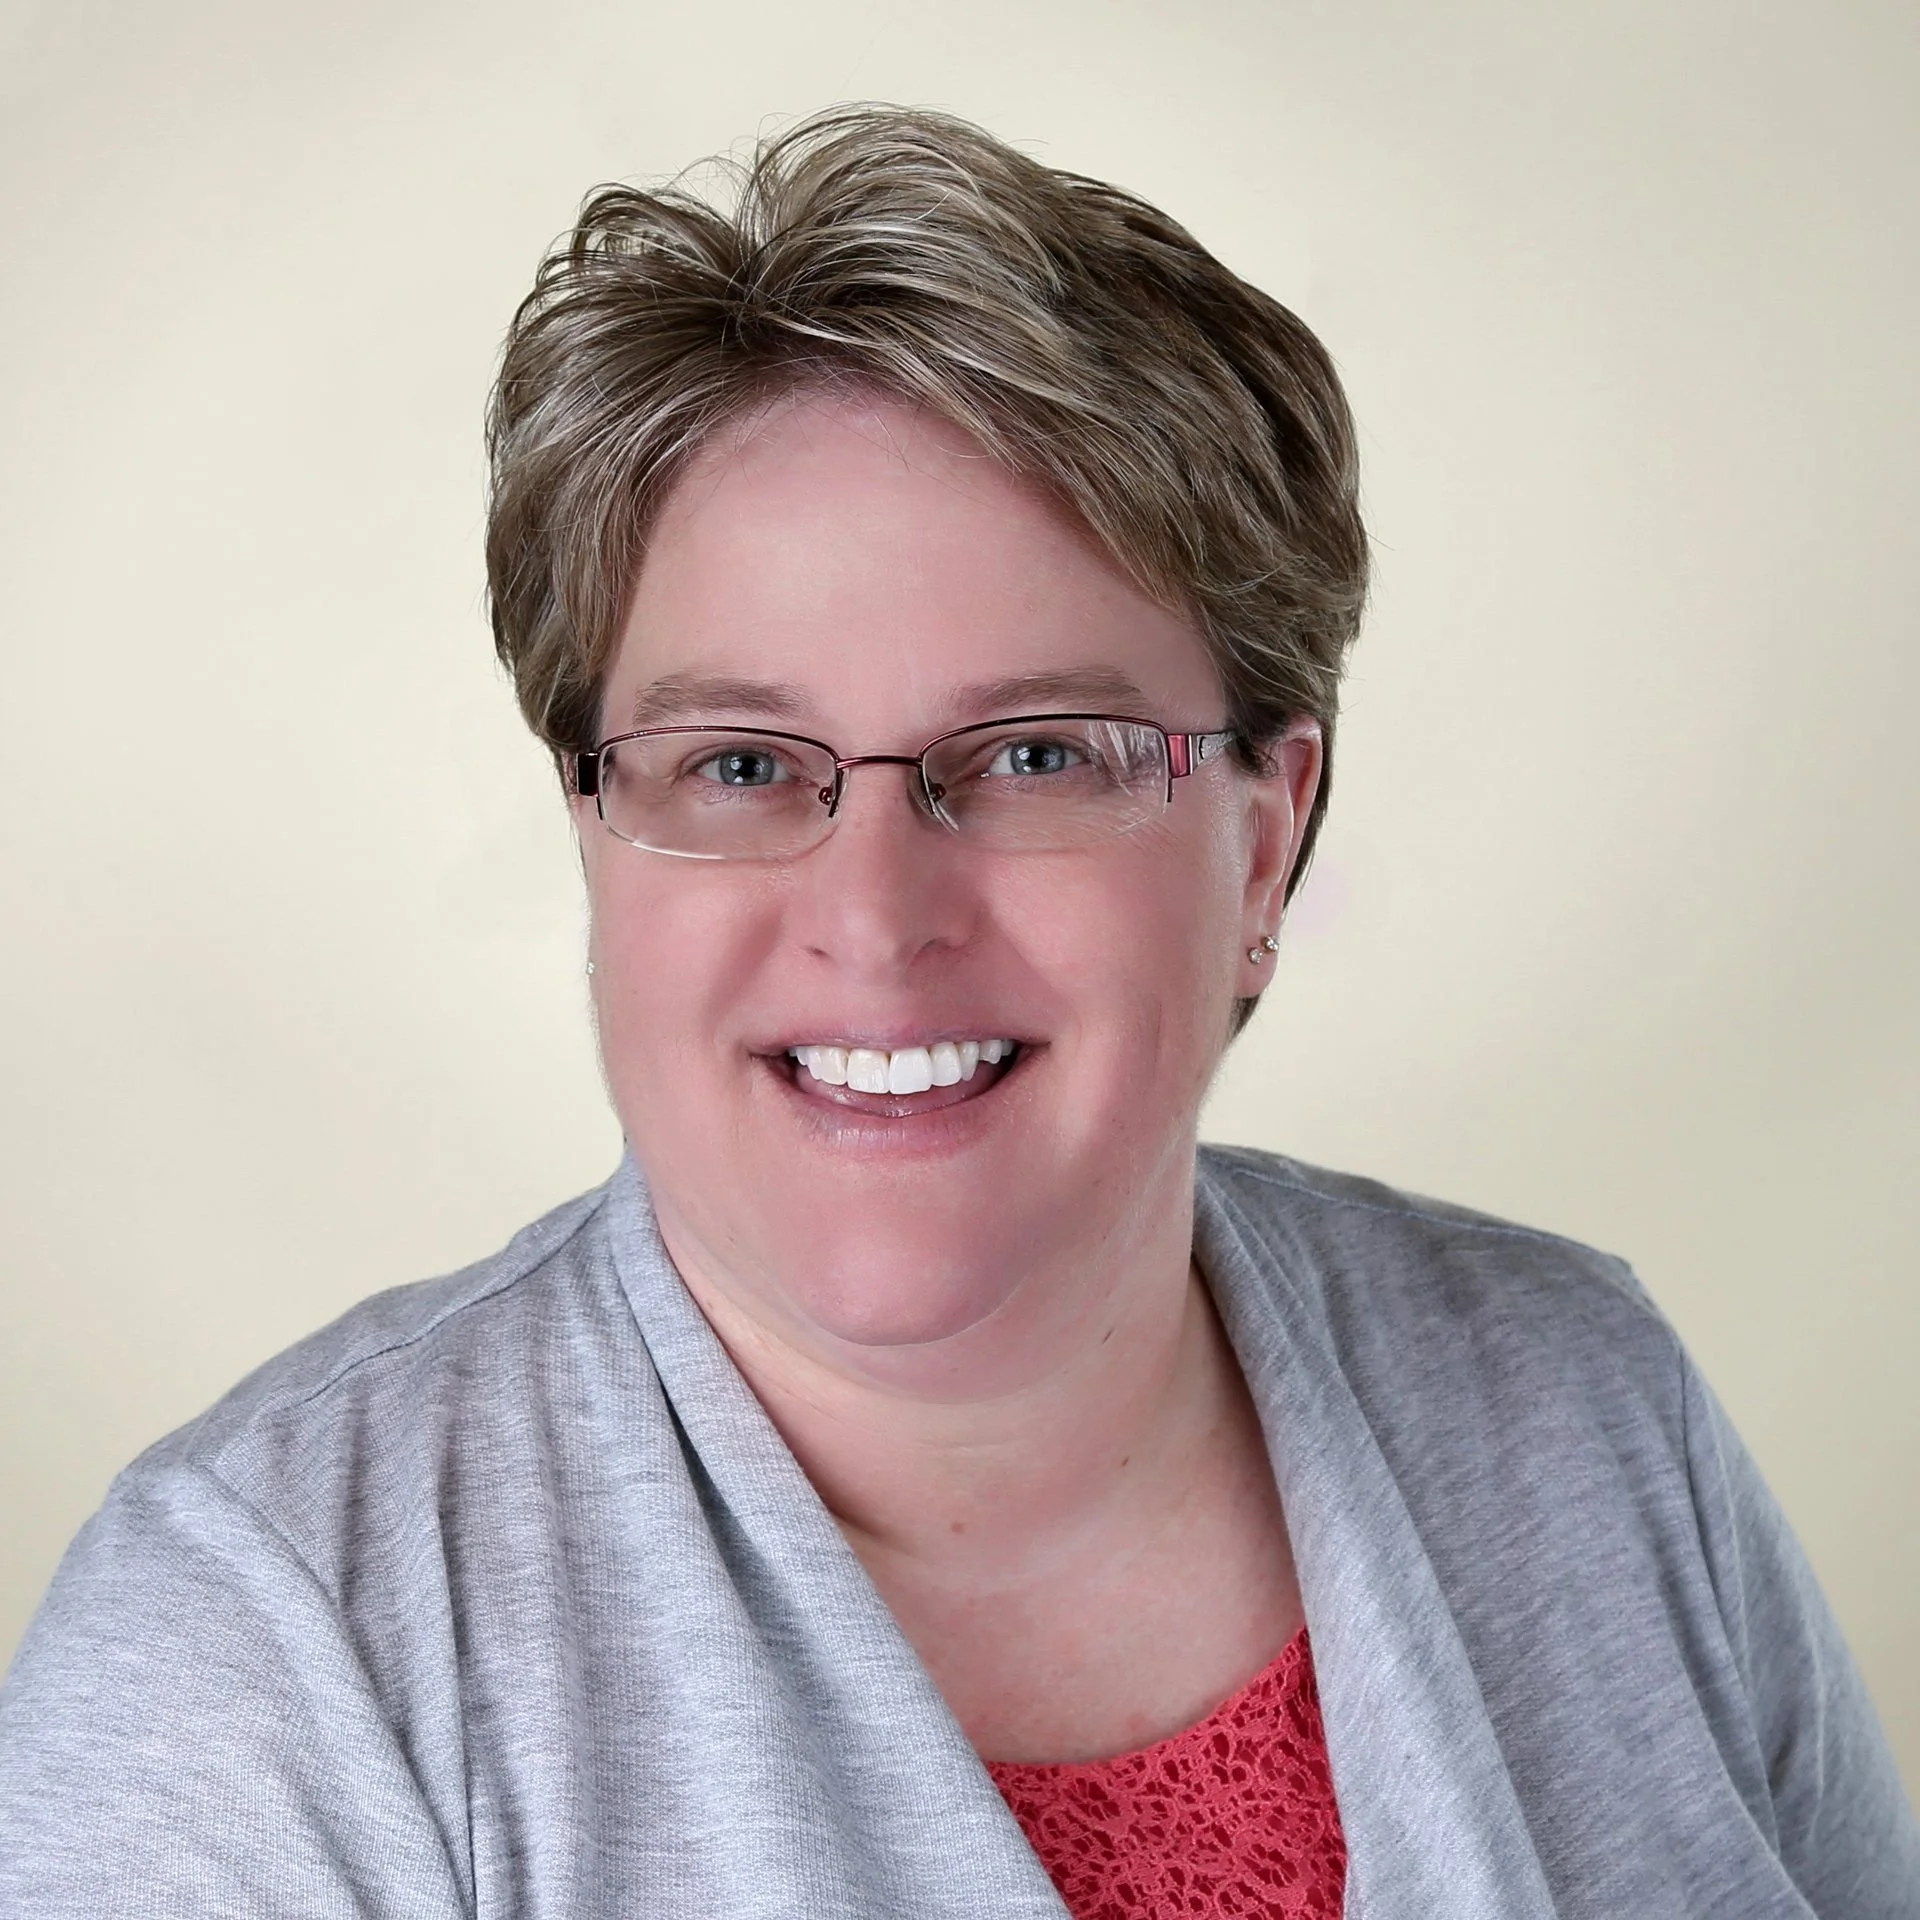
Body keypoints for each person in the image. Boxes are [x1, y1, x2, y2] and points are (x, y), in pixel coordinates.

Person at [0, 104, 1914, 1920]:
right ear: (594, 833)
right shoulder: (264, 1650)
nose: (874, 914)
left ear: (1268, 840)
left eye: (1038, 753)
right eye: (741, 764)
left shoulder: (1585, 1407)